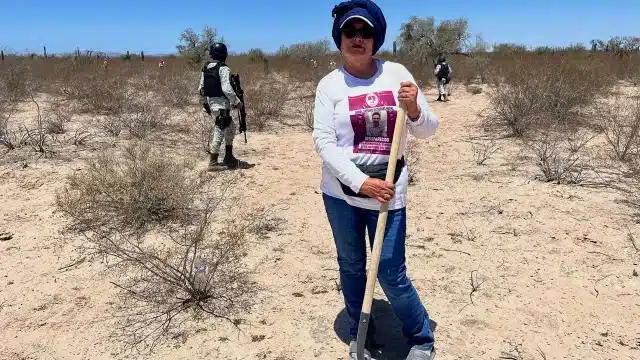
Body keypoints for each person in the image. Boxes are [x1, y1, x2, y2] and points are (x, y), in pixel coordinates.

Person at [312, 1, 440, 359]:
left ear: (376, 37)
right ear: (339, 36)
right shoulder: (330, 85)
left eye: (365, 32)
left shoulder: (397, 74)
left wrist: (414, 108)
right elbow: (323, 140)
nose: (357, 38)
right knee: (351, 265)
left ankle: (421, 336)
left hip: (389, 192)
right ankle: (361, 333)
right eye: (350, 31)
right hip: (342, 193)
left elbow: (428, 129)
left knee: (389, 271)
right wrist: (360, 182)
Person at [197, 42, 247, 171]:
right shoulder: (223, 69)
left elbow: (201, 88)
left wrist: (205, 104)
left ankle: (228, 156)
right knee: (220, 130)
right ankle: (213, 162)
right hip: (221, 105)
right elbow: (226, 88)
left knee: (231, 127)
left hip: (212, 103)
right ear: (224, 54)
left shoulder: (206, 67)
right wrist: (237, 102)